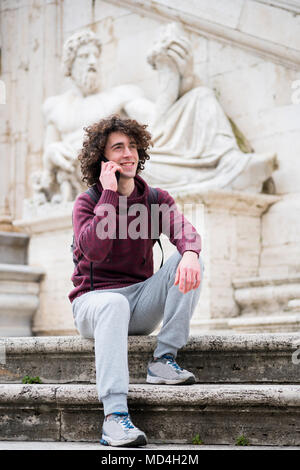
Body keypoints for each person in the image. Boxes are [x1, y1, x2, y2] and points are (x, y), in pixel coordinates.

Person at [69, 115, 204, 447]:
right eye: (118, 148)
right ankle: (115, 417)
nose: (128, 153)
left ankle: (163, 360)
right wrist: (110, 195)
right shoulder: (88, 203)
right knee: (113, 302)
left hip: (139, 302)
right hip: (94, 302)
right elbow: (96, 252)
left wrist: (189, 252)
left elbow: (185, 232)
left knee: (191, 257)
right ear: (102, 159)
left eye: (132, 146)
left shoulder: (155, 199)